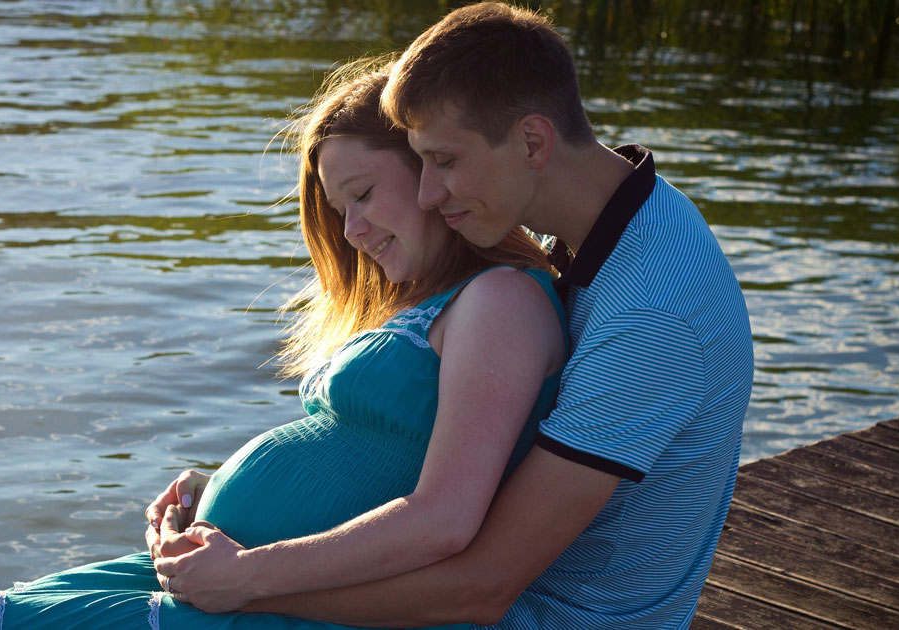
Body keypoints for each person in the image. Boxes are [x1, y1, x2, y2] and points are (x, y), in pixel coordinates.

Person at [0, 58, 567, 630]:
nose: (354, 230)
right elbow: (373, 465)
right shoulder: (436, 301)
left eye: (363, 195)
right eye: (340, 213)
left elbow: (444, 518)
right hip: (245, 584)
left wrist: (246, 572)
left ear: (430, 170)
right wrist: (213, 487)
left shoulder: (499, 299)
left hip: (275, 600)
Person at [192, 3, 751, 629]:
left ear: (533, 141)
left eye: (446, 161)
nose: (428, 193)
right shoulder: (622, 221)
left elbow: (482, 588)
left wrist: (246, 583)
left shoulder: (654, 313)